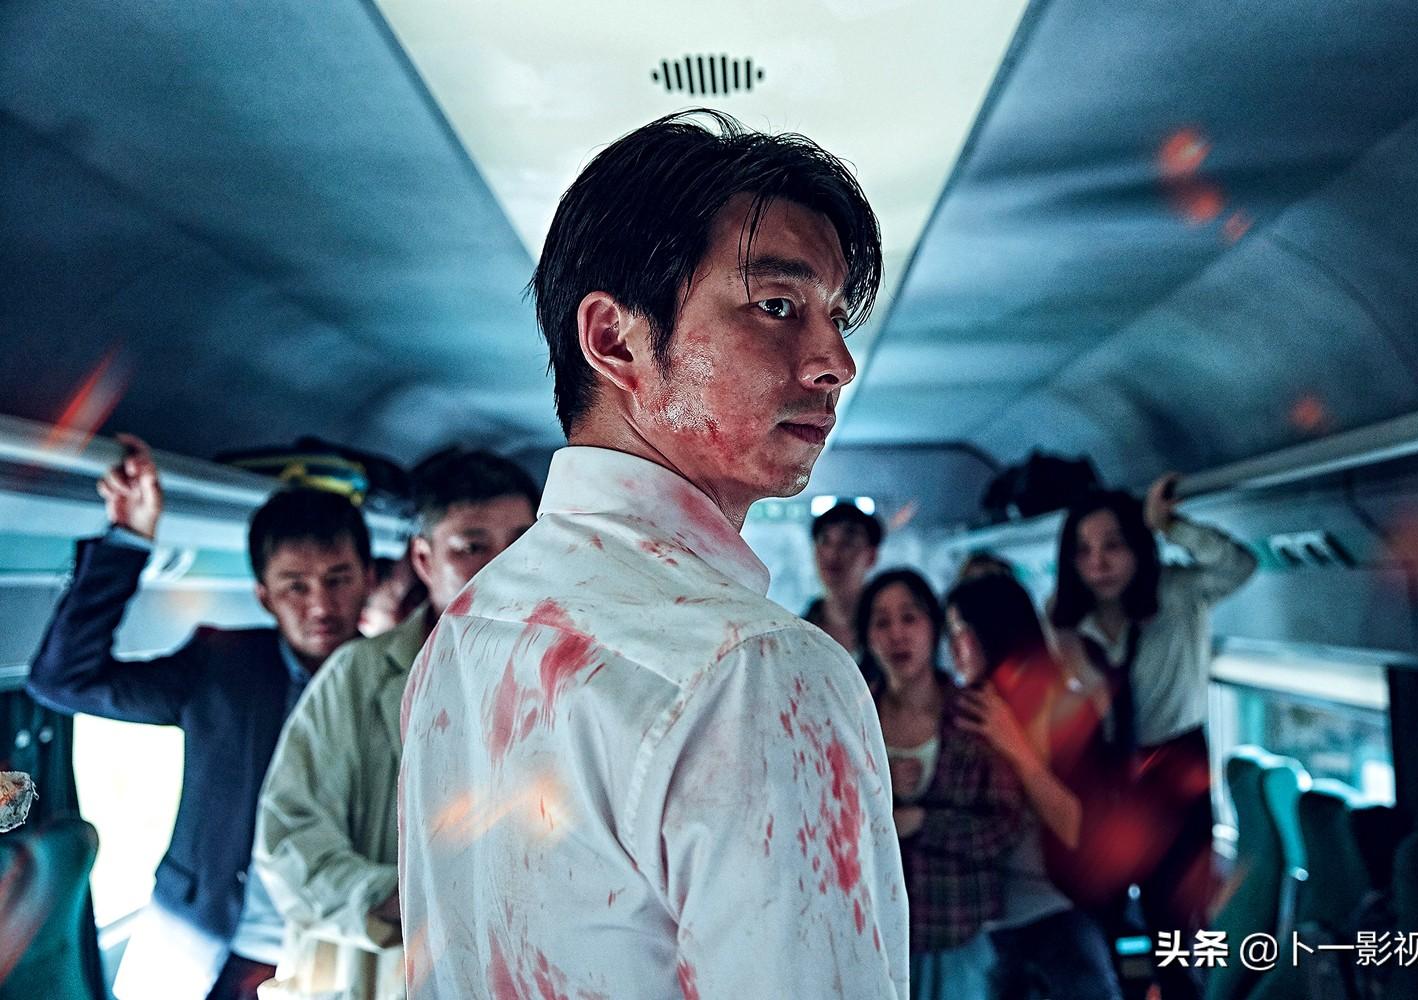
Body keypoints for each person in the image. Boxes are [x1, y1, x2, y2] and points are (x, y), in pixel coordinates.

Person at [399, 109, 908, 999]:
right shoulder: (753, 672)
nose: (836, 362)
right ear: (616, 340)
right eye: (777, 307)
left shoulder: (470, 626)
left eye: (835, 318)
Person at [27, 434, 373, 1000]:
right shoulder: (221, 665)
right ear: (264, 595)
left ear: (368, 579)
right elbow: (62, 681)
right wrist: (128, 539)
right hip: (192, 928)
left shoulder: (397, 683)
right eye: (295, 585)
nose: (319, 605)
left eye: (338, 579)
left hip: (325, 945)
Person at [254, 447, 539, 1000]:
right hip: (373, 975)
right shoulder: (358, 674)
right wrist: (420, 903)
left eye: (522, 542)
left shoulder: (569, 678)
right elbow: (289, 839)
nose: (505, 566)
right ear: (424, 560)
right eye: (472, 547)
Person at [1049, 473, 1256, 1000]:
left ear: (1138, 547)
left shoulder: (1178, 592)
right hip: (1104, 779)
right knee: (1099, 927)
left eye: (1113, 546)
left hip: (1177, 772)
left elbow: (1239, 565)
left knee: (1178, 934)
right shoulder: (1065, 621)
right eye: (1084, 551)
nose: (1098, 563)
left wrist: (1171, 527)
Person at [947, 573, 1122, 1000]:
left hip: (1055, 903)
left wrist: (1016, 747)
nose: (954, 649)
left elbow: (1076, 828)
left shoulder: (1067, 707)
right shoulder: (957, 709)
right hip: (975, 912)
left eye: (962, 632)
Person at [857, 570, 1021, 999]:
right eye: (881, 622)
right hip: (874, 935)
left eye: (909, 617)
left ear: (934, 626)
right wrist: (880, 795)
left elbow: (1004, 827)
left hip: (959, 928)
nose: (897, 634)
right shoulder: (854, 718)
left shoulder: (975, 715)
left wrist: (921, 822)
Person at [804, 501, 883, 656]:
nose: (833, 554)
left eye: (847, 543)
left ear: (871, 555)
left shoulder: (888, 628)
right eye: (825, 541)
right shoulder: (800, 630)